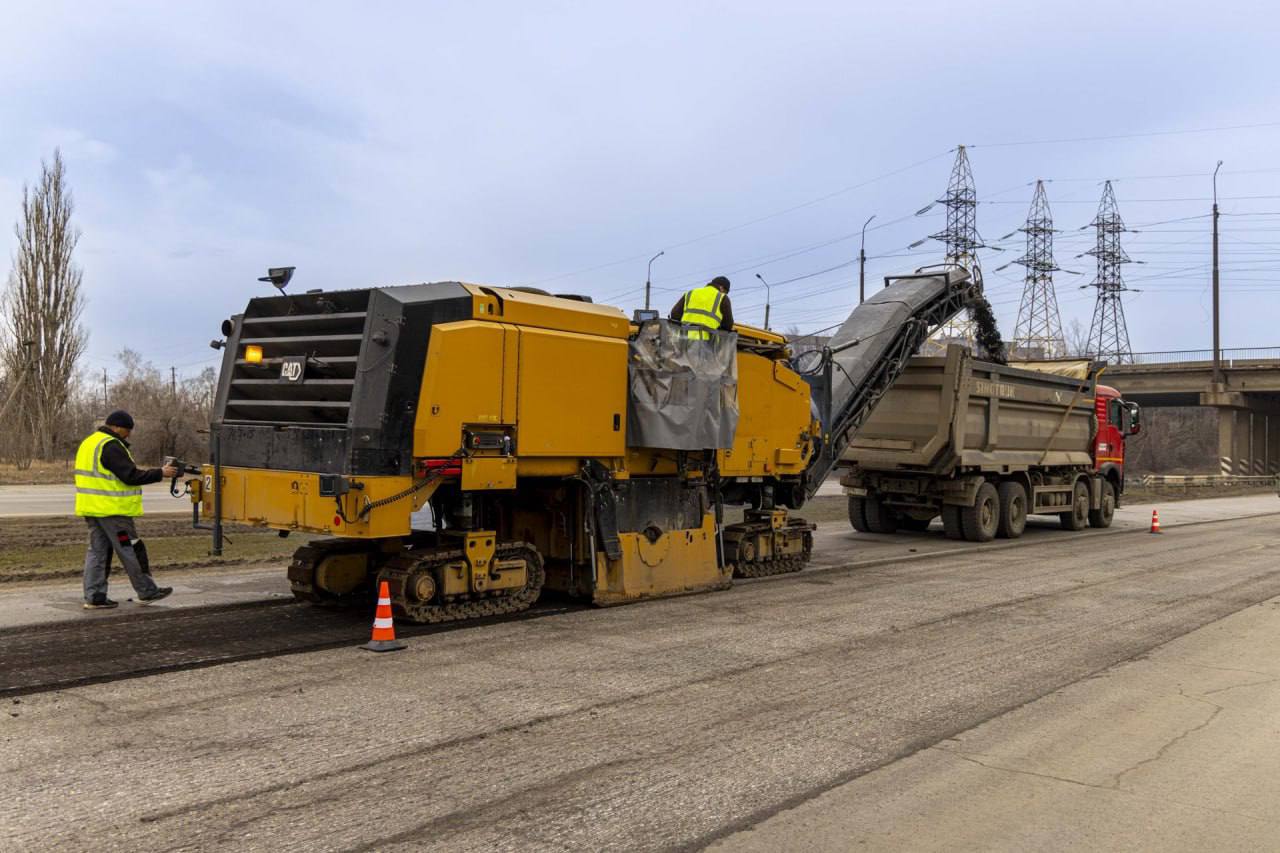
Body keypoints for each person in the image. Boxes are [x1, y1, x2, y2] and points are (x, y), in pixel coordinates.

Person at [74, 410, 178, 609]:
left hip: (92, 510)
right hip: (114, 513)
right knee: (130, 547)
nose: (128, 434)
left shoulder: (90, 442)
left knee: (97, 552)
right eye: (127, 430)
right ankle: (147, 591)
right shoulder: (111, 445)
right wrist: (160, 473)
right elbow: (130, 476)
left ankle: (95, 596)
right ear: (117, 427)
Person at [670, 275, 735, 340]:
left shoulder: (690, 293)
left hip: (684, 340)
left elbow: (674, 314)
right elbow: (728, 325)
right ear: (721, 288)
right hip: (707, 344)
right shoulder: (722, 297)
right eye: (725, 292)